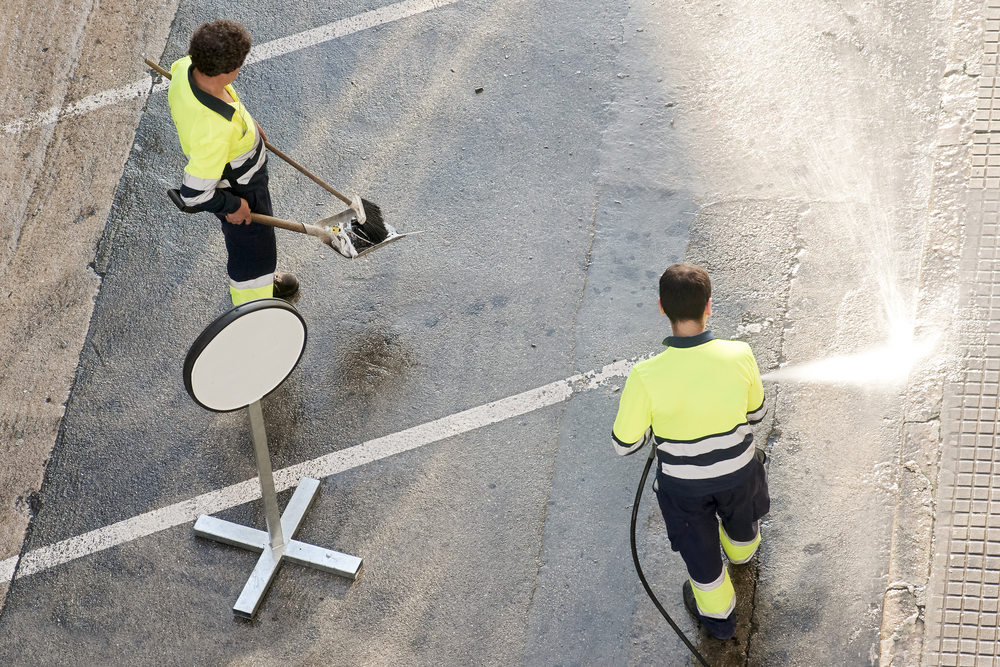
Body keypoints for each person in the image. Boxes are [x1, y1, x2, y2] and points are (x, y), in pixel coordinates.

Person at [612, 263, 768, 640]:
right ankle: (743, 553)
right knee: (743, 520)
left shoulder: (645, 376)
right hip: (739, 474)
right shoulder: (740, 354)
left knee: (701, 557)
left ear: (662, 309)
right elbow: (757, 413)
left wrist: (652, 427)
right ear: (709, 306)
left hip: (684, 489)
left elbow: (624, 444)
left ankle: (718, 619)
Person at [167, 19, 298, 305]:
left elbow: (223, 106)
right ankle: (254, 303)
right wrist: (232, 206)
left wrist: (247, 124)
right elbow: (192, 194)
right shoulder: (215, 131)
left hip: (231, 165)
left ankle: (258, 289)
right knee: (255, 255)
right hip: (241, 188)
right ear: (229, 71)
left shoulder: (183, 68)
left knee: (252, 248)